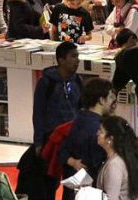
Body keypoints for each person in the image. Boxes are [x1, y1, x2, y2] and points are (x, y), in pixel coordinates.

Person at [33, 42, 82, 197]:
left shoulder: (78, 81)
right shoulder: (46, 82)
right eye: (73, 56)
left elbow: (81, 109)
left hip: (72, 139)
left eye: (78, 56)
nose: (77, 60)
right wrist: (39, 142)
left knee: (72, 183)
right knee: (49, 183)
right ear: (61, 60)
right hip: (52, 139)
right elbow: (38, 112)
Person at [59, 79, 116, 200]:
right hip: (91, 190)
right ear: (101, 100)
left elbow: (63, 151)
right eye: (111, 98)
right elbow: (101, 163)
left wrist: (73, 162)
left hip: (73, 187)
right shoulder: (99, 128)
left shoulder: (78, 120)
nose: (114, 102)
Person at [96, 116, 138, 200]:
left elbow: (111, 198)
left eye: (101, 131)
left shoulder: (114, 165)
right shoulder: (120, 159)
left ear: (110, 139)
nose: (97, 133)